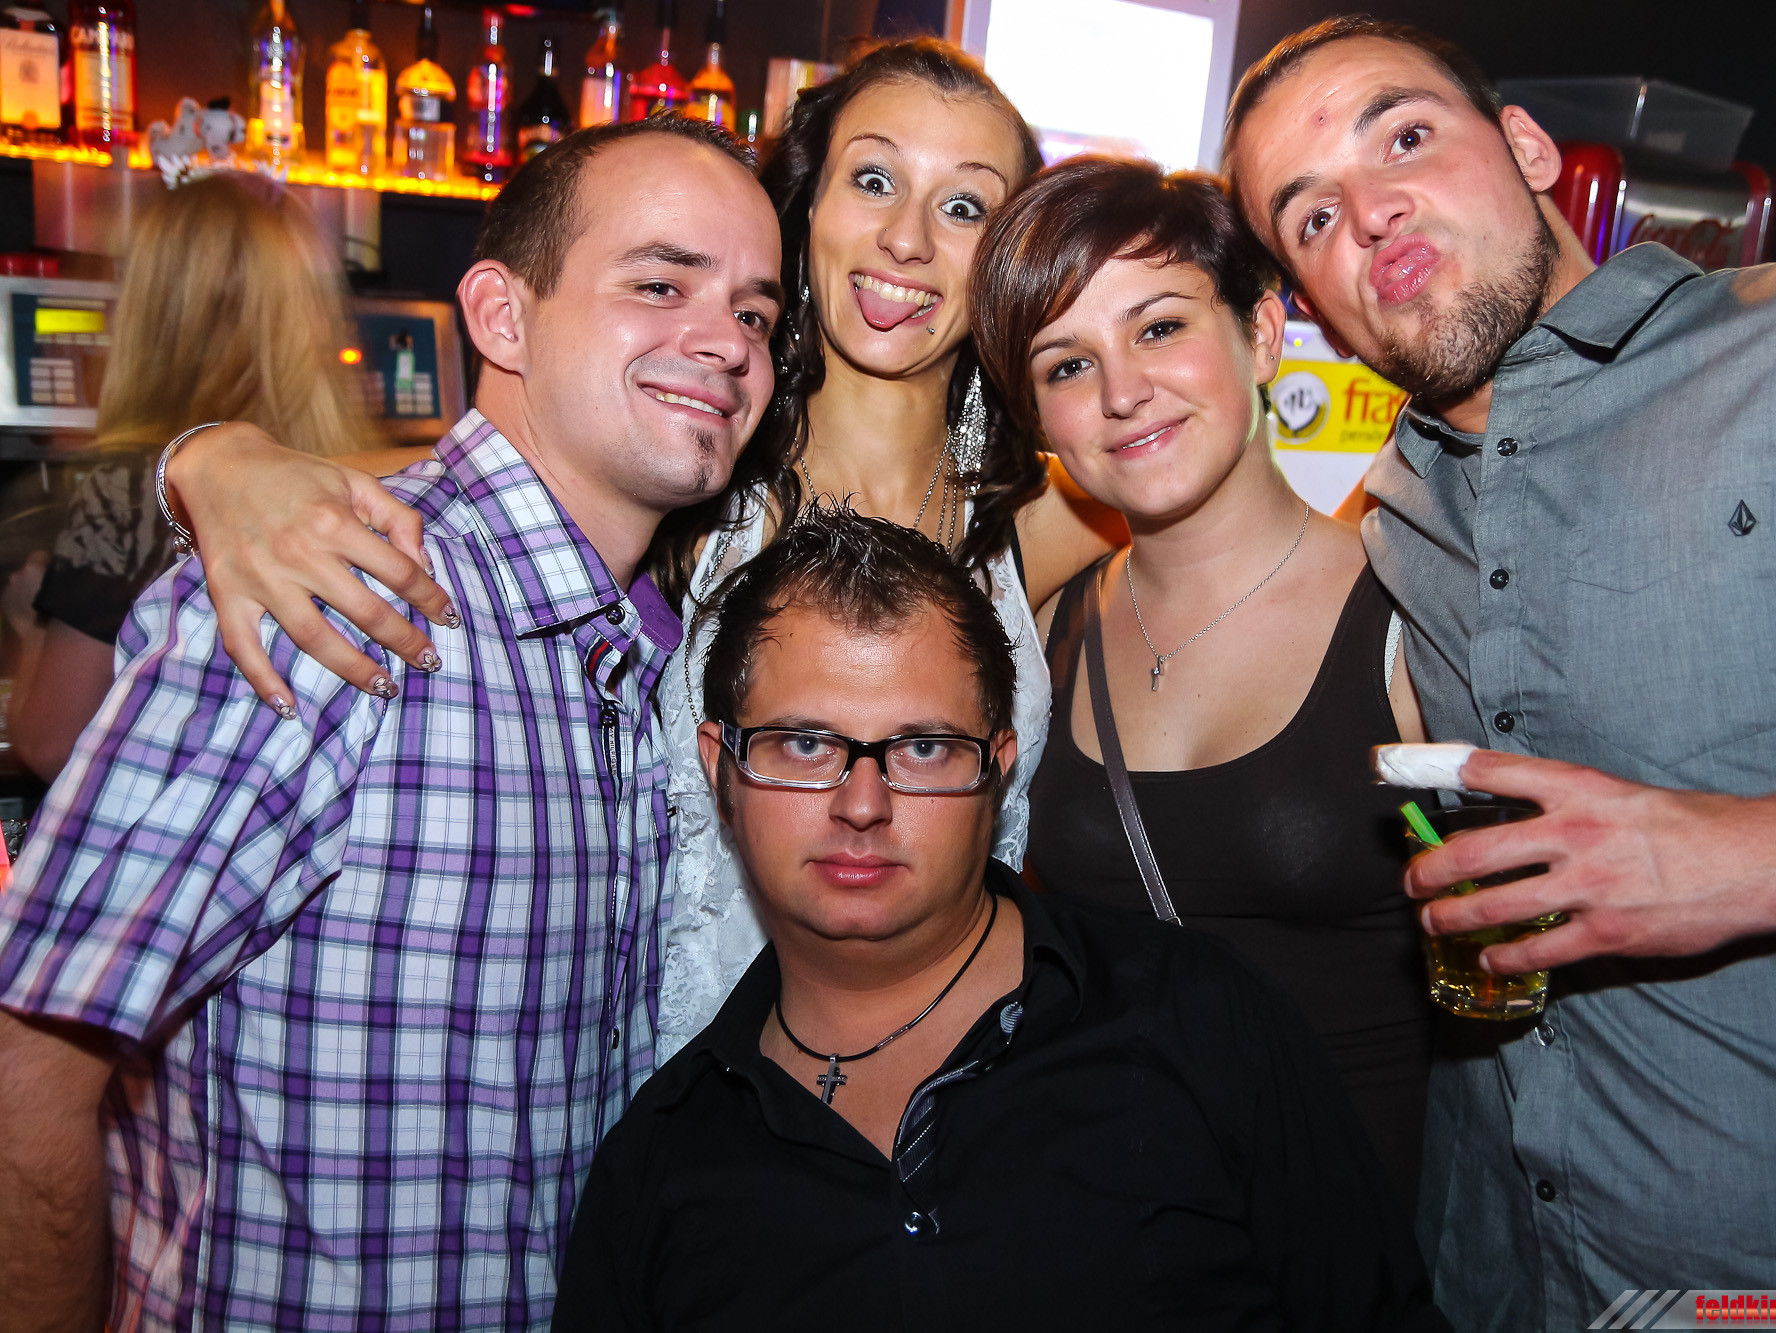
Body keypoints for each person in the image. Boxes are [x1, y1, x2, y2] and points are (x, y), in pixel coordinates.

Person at [1224, 15, 1776, 1328]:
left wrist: (1762, 854)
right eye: (1309, 216)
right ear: (1309, 310)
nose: (1368, 212)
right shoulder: (1400, 510)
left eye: (1402, 138)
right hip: (1522, 1281)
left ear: (1528, 148)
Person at [141, 38, 1120, 1054]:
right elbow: (448, 484)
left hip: (950, 1070)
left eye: (963, 206)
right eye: (873, 180)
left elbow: (1202, 485)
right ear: (807, 210)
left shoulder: (1040, 520)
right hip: (681, 1080)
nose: (906, 238)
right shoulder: (684, 483)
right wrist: (214, 461)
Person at [0, 114, 782, 1333]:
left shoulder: (639, 647)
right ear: (501, 317)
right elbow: (29, 1065)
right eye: (658, 283)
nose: (725, 341)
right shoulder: (336, 591)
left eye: (756, 313)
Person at [552, 505, 1447, 1332]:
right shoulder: (660, 1161)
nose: (861, 803)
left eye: (923, 747)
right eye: (806, 743)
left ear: (998, 768)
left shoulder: (1199, 1023)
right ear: (721, 768)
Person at [966, 157, 1434, 1210]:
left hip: (1349, 1233)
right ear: (1037, 419)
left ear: (1261, 333)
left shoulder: (1408, 620)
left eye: (1160, 327)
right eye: (1066, 365)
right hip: (1104, 1222)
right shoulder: (1042, 629)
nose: (1122, 392)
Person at [4, 172, 408, 781]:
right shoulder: (371, 486)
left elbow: (53, 742)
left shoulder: (135, 489)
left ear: (146, 311)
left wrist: (25, 626)